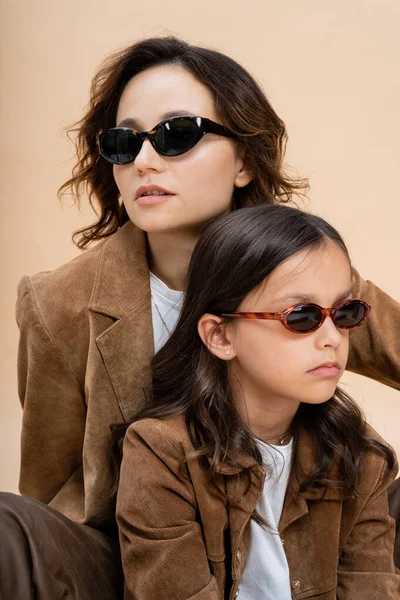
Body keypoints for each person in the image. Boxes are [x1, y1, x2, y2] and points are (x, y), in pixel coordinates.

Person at [1, 36, 399, 598]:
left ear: (243, 160)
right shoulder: (57, 303)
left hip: (299, 522)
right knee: (11, 528)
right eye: (124, 142)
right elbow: (48, 480)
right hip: (128, 549)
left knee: (370, 474)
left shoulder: (306, 275)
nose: (144, 161)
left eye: (176, 135)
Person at [116, 204, 399, 600]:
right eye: (301, 316)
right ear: (221, 337)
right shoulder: (160, 454)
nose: (332, 338)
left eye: (345, 312)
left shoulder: (362, 456)